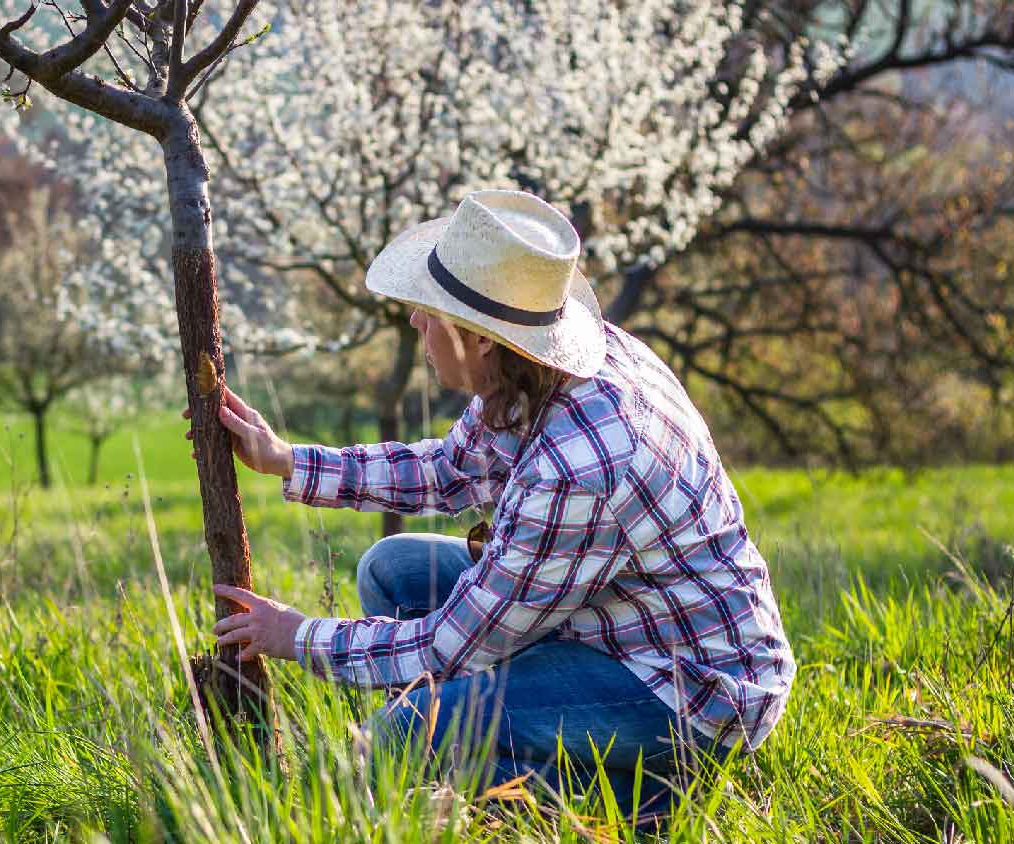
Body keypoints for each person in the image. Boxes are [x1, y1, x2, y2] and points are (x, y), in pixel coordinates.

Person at [192, 190, 793, 822]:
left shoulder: (578, 466)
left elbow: (454, 645)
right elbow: (448, 471)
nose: (416, 325)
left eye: (428, 313)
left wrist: (299, 636)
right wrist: (287, 460)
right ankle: (470, 752)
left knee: (399, 740)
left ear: (478, 339)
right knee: (391, 571)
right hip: (615, 619)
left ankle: (654, 797)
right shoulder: (531, 367)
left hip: (689, 688)